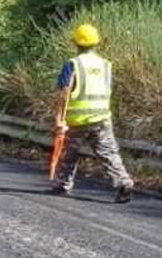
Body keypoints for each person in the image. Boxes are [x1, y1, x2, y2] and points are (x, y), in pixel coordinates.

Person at [52, 24, 134, 203]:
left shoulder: (72, 64)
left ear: (76, 43)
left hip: (77, 120)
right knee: (109, 154)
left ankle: (62, 184)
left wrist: (59, 119)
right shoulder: (106, 65)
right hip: (102, 118)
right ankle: (123, 182)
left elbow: (64, 92)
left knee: (69, 154)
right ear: (96, 43)